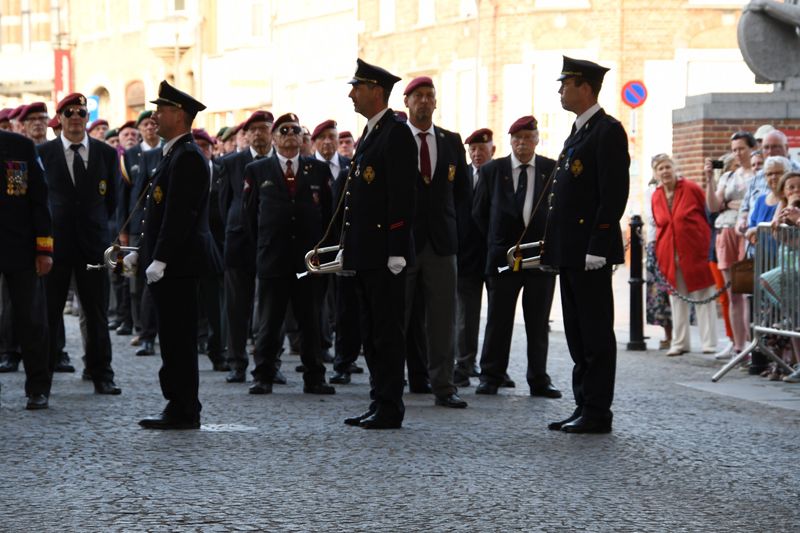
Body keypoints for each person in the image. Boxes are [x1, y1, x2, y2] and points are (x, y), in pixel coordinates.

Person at [542, 57, 629, 434]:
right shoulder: (580, 130)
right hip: (571, 250)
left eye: (566, 83)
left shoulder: (607, 131)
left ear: (585, 87)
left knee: (594, 332)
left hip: (589, 252)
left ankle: (597, 410)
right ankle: (584, 404)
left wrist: (600, 240)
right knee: (577, 332)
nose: (560, 90)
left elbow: (613, 193)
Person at [133, 80, 217, 429]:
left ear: (179, 115)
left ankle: (184, 408)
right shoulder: (175, 155)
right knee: (172, 337)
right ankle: (178, 404)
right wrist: (142, 251)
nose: (155, 116)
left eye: (161, 110)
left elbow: (179, 215)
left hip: (179, 265)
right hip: (170, 263)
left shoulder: (188, 157)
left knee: (179, 339)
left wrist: (161, 257)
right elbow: (157, 213)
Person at [340, 59, 416, 429]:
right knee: (370, 332)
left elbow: (401, 196)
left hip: (386, 255)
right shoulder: (371, 133)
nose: (351, 94)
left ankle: (390, 405)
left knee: (386, 333)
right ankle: (378, 399)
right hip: (367, 252)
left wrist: (397, 247)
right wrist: (347, 244)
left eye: (357, 87)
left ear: (375, 91)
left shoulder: (396, 133)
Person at [241, 113, 335, 396]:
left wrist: (323, 254)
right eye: (284, 130)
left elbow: (329, 215)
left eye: (296, 130)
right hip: (273, 258)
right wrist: (262, 248)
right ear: (274, 137)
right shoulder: (257, 170)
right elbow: (249, 216)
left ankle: (315, 377)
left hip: (307, 260)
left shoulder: (317, 170)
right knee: (269, 323)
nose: (290, 134)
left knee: (311, 322)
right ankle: (263, 375)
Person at [472, 116, 562, 399]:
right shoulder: (493, 171)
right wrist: (498, 242)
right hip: (503, 258)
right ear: (510, 141)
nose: (522, 143)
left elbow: (558, 211)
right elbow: (479, 213)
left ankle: (539, 379)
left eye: (528, 138)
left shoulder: (551, 169)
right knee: (498, 320)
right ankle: (491, 375)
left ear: (537, 140)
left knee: (538, 323)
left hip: (540, 258)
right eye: (517, 138)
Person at [37, 93, 121, 395]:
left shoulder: (106, 154)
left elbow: (112, 201)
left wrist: (98, 230)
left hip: (92, 246)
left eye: (81, 113)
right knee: (48, 313)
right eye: (69, 112)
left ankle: (102, 374)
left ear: (87, 118)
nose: (75, 117)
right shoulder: (43, 153)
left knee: (97, 313)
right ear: (59, 119)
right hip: (55, 246)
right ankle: (41, 382)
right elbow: (38, 200)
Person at [401, 76, 469, 409]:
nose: (425, 101)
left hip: (442, 244)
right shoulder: (395, 140)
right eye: (418, 96)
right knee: (395, 316)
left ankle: (443, 384)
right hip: (403, 243)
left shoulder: (451, 141)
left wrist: (457, 234)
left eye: (430, 96)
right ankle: (386, 383)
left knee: (443, 319)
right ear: (407, 102)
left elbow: (462, 196)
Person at [218, 110, 274, 383]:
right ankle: (236, 362)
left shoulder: (280, 161)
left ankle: (269, 363)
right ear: (247, 134)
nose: (260, 134)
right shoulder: (231, 163)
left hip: (272, 243)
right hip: (239, 242)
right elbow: (221, 205)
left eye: (265, 128)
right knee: (237, 307)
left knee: (271, 307)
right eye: (255, 129)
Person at [0, 130, 54, 409]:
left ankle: (38, 388)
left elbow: (39, 199)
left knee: (31, 321)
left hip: (20, 248)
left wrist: (44, 249)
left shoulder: (20, 146)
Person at [651, 154, 718, 356]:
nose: (665, 172)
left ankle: (709, 343)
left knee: (704, 296)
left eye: (667, 167)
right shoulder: (656, 195)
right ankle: (679, 343)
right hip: (669, 254)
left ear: (674, 168)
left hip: (696, 250)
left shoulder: (691, 188)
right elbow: (658, 223)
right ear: (656, 173)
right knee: (677, 299)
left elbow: (707, 214)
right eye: (660, 168)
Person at [704, 132, 756, 360]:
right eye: (734, 149)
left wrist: (735, 203)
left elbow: (754, 201)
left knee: (748, 293)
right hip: (725, 232)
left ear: (751, 148)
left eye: (742, 148)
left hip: (746, 234)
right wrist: (710, 179)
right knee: (733, 292)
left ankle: (753, 344)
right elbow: (714, 205)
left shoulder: (757, 174)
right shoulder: (728, 177)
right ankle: (738, 345)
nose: (738, 153)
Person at [453, 128, 494, 386]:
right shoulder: (461, 175)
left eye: (482, 149)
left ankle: (492, 367)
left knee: (497, 316)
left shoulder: (500, 174)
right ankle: (464, 363)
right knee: (465, 315)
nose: (477, 154)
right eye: (473, 150)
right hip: (467, 256)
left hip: (492, 254)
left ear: (493, 149)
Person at [644, 173, 672, 349]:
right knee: (659, 291)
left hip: (673, 242)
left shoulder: (676, 188)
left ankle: (677, 335)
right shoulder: (651, 191)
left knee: (674, 289)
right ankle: (667, 334)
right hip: (656, 242)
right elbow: (652, 218)